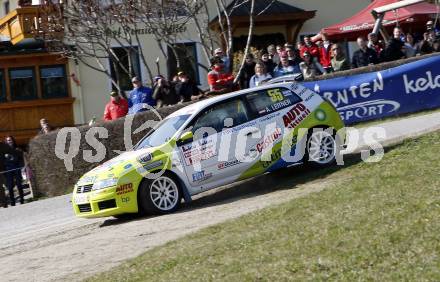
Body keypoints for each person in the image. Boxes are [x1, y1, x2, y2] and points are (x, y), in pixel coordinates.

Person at [4, 136, 24, 206]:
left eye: (10, 140)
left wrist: (22, 167)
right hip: (8, 170)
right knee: (10, 186)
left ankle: (22, 199)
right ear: (6, 142)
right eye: (8, 140)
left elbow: (21, 159)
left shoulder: (17, 149)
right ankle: (12, 202)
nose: (9, 141)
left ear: (13, 141)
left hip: (16, 169)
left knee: (19, 184)